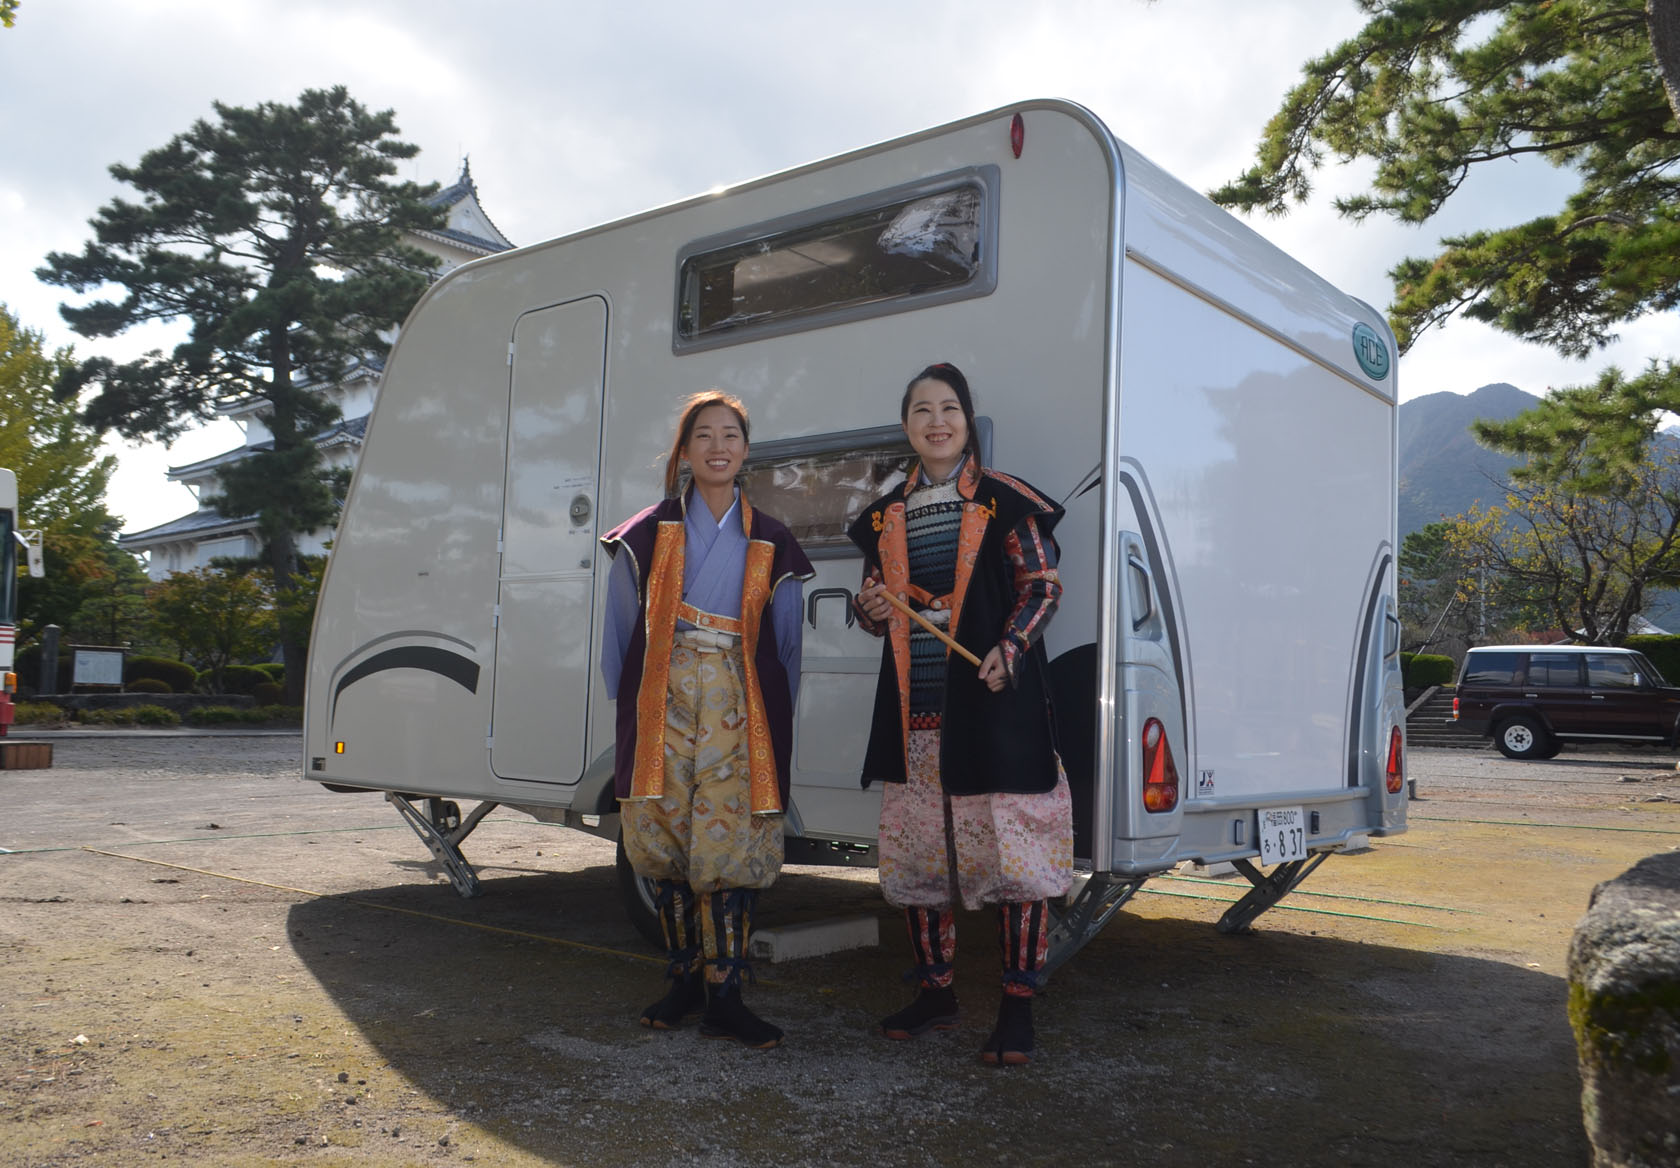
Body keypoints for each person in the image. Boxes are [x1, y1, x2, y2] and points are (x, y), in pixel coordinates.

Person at [847, 362, 1072, 1066]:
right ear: (906, 426)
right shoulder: (885, 515)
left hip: (995, 708)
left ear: (967, 421)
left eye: (948, 408)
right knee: (920, 863)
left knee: (1015, 861)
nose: (936, 421)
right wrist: (870, 607)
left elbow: (1042, 587)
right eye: (922, 410)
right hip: (917, 716)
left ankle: (1017, 1008)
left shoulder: (1007, 501)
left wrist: (1011, 647)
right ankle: (935, 995)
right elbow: (873, 604)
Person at [600, 390, 813, 1049]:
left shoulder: (772, 539)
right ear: (685, 451)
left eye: (730, 435)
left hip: (739, 705)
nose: (718, 447)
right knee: (666, 840)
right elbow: (619, 638)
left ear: (745, 451)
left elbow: (787, 646)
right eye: (704, 435)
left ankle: (726, 994)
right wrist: (635, 708)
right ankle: (684, 981)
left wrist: (773, 714)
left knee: (730, 844)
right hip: (662, 700)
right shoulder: (643, 534)